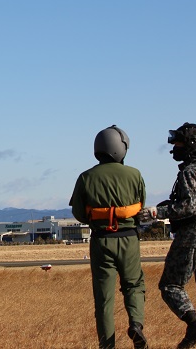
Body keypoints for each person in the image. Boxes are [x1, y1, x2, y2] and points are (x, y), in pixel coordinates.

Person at [141, 123, 196, 348]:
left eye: (178, 143)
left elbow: (190, 206)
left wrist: (158, 213)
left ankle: (195, 325)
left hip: (192, 238)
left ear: (189, 144)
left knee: (170, 286)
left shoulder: (189, 171)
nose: (174, 148)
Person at [70, 125, 148, 349]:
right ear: (121, 148)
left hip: (101, 239)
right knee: (134, 285)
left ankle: (107, 345)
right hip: (129, 238)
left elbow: (78, 213)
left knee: (104, 298)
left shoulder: (85, 177)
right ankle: (136, 325)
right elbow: (141, 204)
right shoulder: (135, 174)